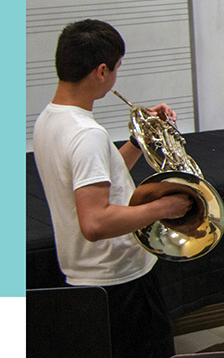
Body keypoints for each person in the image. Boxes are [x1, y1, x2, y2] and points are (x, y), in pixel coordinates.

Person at [33, 19, 193, 358]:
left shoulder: (49, 119)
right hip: (121, 284)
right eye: (117, 69)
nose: (116, 77)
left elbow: (97, 178)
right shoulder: (86, 134)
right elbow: (95, 222)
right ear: (101, 71)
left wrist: (140, 140)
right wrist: (166, 208)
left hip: (90, 282)